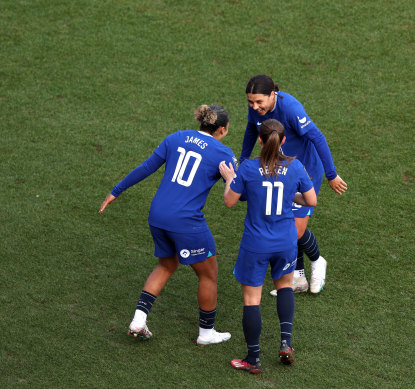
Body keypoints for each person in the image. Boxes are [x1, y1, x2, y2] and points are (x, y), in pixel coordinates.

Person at [99, 104, 237, 345]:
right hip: (185, 221)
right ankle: (206, 333)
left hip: (158, 215)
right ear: (222, 130)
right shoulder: (223, 154)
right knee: (208, 274)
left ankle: (138, 320)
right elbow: (236, 194)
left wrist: (116, 191)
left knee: (166, 264)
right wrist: (232, 179)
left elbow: (146, 167)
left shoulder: (176, 138)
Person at [219, 118, 317, 374]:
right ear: (283, 140)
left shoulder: (249, 168)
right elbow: (311, 200)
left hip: (256, 244)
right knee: (284, 287)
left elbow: (230, 201)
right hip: (285, 242)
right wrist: (289, 194)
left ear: (260, 141)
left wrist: (230, 178)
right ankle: (286, 343)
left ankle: (253, 359)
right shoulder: (295, 167)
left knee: (252, 299)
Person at [240, 74, 347, 295]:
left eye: (259, 101)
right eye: (251, 102)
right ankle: (298, 277)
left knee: (295, 231)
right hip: (280, 170)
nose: (255, 106)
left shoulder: (290, 108)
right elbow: (252, 129)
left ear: (272, 95)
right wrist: (242, 160)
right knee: (285, 221)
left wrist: (332, 174)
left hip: (304, 171)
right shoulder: (256, 109)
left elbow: (317, 137)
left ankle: (318, 261)